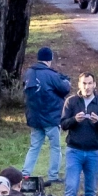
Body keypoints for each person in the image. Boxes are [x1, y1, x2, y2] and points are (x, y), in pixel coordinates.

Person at [61, 72, 98, 196]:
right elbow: (63, 124)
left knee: (91, 189)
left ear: (95, 84)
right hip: (75, 150)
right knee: (71, 187)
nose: (87, 87)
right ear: (79, 85)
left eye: (90, 83)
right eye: (84, 84)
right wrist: (75, 120)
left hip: (94, 152)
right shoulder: (71, 101)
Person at [24, 46, 71, 184]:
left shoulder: (28, 73)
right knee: (55, 147)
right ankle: (53, 175)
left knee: (34, 147)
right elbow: (64, 89)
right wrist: (66, 80)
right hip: (51, 118)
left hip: (34, 118)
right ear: (49, 59)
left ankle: (25, 174)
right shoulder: (51, 75)